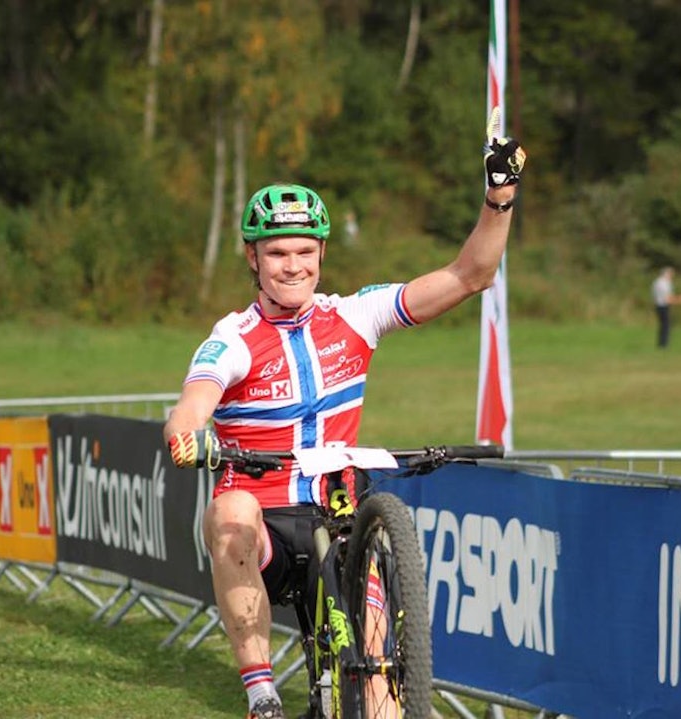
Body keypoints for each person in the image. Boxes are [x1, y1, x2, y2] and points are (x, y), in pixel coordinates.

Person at [163, 111, 525, 719]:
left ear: (322, 252)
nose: (293, 265)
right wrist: (187, 437)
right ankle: (262, 695)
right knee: (228, 511)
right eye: (277, 252)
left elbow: (470, 275)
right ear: (253, 258)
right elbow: (191, 406)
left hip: (340, 517)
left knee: (382, 705)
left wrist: (499, 199)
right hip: (264, 525)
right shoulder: (233, 338)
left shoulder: (356, 316)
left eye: (305, 251)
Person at [651, 266, 681, 349]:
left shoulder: (657, 282)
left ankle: (662, 344)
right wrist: (679, 300)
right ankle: (663, 344)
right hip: (663, 305)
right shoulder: (664, 284)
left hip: (659, 305)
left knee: (663, 325)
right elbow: (667, 298)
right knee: (666, 325)